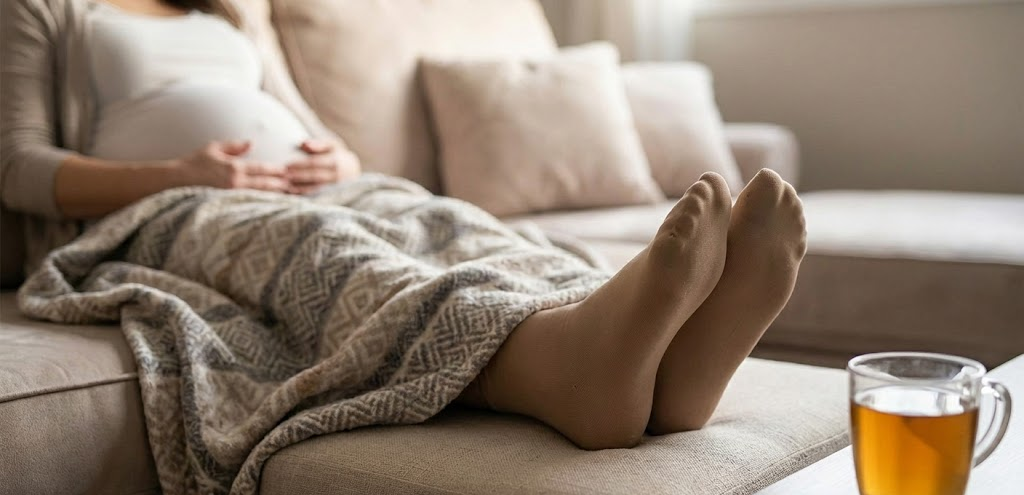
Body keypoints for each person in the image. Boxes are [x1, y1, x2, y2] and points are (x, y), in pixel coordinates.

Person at [0, 0, 806, 450]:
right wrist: (182, 174)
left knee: (448, 222)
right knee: (330, 252)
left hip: (312, 190)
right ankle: (557, 365)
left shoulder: (229, 11)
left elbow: (311, 126)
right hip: (164, 213)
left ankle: (664, 367)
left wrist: (337, 159)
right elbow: (17, 165)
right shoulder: (44, 9)